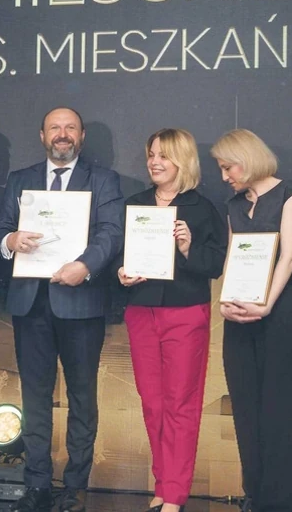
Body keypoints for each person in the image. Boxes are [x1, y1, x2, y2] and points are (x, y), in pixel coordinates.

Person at [0, 107, 124, 512]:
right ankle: (36, 484)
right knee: (34, 398)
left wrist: (84, 266)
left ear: (81, 136)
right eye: (55, 128)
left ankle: (75, 486)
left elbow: (111, 232)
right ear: (42, 135)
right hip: (30, 303)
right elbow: (0, 230)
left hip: (81, 303)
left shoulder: (103, 180)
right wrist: (11, 240)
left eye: (70, 128)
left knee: (82, 398)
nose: (62, 134)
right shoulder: (21, 179)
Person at [116, 129, 227, 512]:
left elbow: (215, 265)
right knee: (152, 402)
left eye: (163, 155)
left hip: (186, 313)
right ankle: (163, 484)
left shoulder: (203, 208)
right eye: (151, 154)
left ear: (183, 160)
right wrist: (121, 273)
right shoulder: (135, 204)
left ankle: (176, 492)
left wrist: (188, 247)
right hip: (141, 311)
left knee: (182, 403)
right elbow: (118, 255)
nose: (154, 162)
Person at [210, 129, 292, 512]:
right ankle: (255, 495)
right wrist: (225, 301)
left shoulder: (290, 194)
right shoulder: (234, 205)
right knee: (245, 410)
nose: (224, 176)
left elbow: (290, 255)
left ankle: (283, 501)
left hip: (280, 315)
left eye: (228, 167)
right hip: (239, 317)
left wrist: (265, 304)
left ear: (247, 159)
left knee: (280, 412)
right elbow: (233, 260)